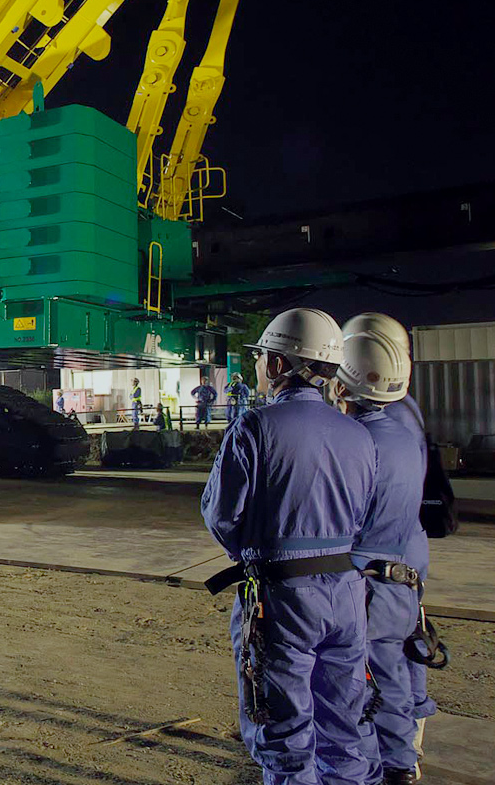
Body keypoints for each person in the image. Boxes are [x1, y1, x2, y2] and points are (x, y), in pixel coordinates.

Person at [201, 307, 377, 785]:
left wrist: (255, 553)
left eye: (261, 357)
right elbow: (361, 517)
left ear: (278, 365)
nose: (257, 366)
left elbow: (221, 517)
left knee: (283, 731)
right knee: (344, 726)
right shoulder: (359, 434)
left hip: (282, 598)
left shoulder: (255, 428)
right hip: (346, 594)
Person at [343, 312, 437, 769]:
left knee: (374, 664)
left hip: (376, 561)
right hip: (406, 548)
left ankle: (390, 759)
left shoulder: (367, 432)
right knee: (403, 652)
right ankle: (407, 745)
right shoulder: (404, 415)